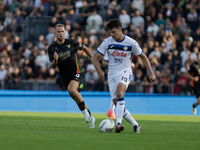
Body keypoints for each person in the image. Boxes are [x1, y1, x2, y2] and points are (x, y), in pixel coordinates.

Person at [92, 19, 156, 133]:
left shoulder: (131, 43)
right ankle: (136, 125)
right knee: (118, 103)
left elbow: (143, 57)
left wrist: (150, 72)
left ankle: (118, 124)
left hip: (125, 71)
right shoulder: (108, 42)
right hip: (111, 75)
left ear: (120, 29)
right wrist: (100, 72)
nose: (112, 35)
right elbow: (95, 58)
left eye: (114, 32)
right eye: (110, 32)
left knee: (120, 93)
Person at [47, 23, 95, 128]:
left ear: (65, 32)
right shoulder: (52, 48)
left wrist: (93, 59)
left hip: (77, 73)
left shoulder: (72, 43)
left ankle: (85, 114)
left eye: (62, 31)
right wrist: (55, 60)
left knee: (72, 90)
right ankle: (91, 117)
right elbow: (53, 66)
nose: (61, 33)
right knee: (77, 98)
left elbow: (85, 48)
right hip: (66, 77)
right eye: (58, 31)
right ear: (54, 33)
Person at [102, 52, 135, 120]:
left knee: (118, 94)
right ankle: (113, 112)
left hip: (123, 74)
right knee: (118, 94)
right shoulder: (111, 48)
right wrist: (113, 65)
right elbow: (104, 62)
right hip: (113, 74)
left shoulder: (127, 49)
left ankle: (111, 110)